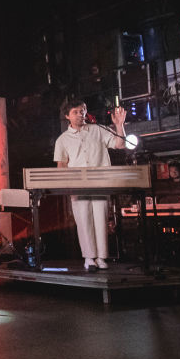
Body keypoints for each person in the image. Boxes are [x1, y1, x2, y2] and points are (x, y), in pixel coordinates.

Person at [53, 99, 128, 270]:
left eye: (83, 111)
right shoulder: (62, 140)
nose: (81, 114)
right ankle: (88, 257)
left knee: (101, 218)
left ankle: (102, 257)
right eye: (76, 112)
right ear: (67, 116)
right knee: (83, 220)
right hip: (78, 186)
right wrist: (67, 188)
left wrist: (119, 125)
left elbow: (120, 144)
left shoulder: (98, 130)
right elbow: (61, 167)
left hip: (100, 182)